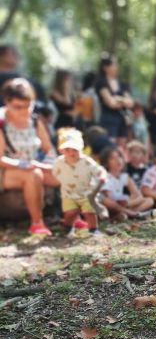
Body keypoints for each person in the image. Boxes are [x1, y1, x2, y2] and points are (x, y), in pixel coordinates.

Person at [0, 78, 59, 235]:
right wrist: (22, 164)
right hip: (7, 170)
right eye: (18, 107)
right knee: (33, 175)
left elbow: (49, 149)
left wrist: (49, 163)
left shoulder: (34, 120)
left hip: (34, 164)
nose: (24, 111)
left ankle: (73, 217)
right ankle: (37, 223)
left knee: (65, 171)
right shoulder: (1, 122)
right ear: (7, 102)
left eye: (28, 106)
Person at [52, 129, 106, 236]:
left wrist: (102, 176)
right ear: (61, 150)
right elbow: (54, 174)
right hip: (68, 192)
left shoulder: (86, 161)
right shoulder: (59, 162)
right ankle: (68, 227)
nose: (71, 153)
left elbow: (98, 169)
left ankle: (93, 229)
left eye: (75, 149)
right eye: (68, 149)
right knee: (70, 212)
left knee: (89, 211)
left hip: (86, 191)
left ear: (80, 149)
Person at [98, 146, 156, 220]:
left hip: (124, 205)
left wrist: (128, 203)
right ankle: (133, 214)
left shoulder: (125, 177)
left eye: (119, 157)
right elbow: (108, 197)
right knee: (105, 200)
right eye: (113, 158)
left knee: (149, 200)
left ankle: (127, 214)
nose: (118, 160)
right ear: (106, 163)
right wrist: (123, 202)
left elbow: (139, 195)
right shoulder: (105, 176)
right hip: (111, 206)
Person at [95, 54, 134, 147]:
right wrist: (123, 101)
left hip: (122, 119)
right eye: (114, 65)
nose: (116, 68)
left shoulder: (122, 83)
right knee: (110, 145)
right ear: (105, 67)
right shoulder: (101, 83)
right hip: (109, 119)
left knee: (122, 146)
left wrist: (118, 99)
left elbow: (131, 103)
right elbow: (110, 103)